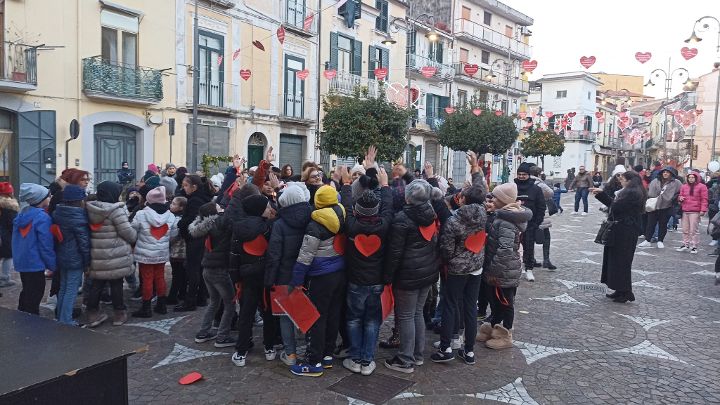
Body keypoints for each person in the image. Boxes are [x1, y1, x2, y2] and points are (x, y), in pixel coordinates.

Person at [338, 166, 393, 376]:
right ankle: (368, 361)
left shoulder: (351, 225)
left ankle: (355, 357)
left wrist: (344, 184)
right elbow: (388, 207)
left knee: (353, 319)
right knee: (372, 321)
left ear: (357, 210)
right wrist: (386, 185)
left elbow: (346, 203)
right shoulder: (384, 224)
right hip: (377, 281)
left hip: (355, 281)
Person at [289, 185, 346, 377]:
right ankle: (327, 355)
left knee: (317, 317)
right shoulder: (342, 215)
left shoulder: (315, 224)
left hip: (321, 276)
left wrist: (297, 280)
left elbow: (305, 255)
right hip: (339, 272)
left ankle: (313, 362)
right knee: (333, 314)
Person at [383, 180, 440, 374]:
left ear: (408, 197)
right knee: (417, 313)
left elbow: (395, 252)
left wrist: (388, 276)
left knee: (407, 315)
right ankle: (417, 354)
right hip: (426, 272)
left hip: (408, 275)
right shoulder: (431, 214)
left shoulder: (402, 219)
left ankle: (405, 359)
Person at [432, 184, 487, 364]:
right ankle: (469, 350)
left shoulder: (454, 221)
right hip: (476, 266)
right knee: (470, 307)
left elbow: (446, 248)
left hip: (457, 268)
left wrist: (450, 260)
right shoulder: (484, 214)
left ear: (463, 199)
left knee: (450, 305)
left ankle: (446, 348)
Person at [476, 183, 532, 349]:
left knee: (505, 302)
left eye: (494, 197)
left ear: (502, 200)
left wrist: (494, 270)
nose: (491, 199)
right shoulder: (503, 216)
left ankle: (505, 333)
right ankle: (494, 326)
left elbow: (505, 250)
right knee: (497, 301)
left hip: (504, 270)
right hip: (503, 268)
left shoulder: (506, 222)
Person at [265, 182, 313, 366]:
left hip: (285, 275)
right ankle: (311, 350)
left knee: (285, 316)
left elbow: (274, 255)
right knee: (308, 313)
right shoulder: (312, 218)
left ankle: (290, 354)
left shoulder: (280, 224)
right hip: (308, 274)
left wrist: (270, 279)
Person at [230, 195, 276, 366]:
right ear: (259, 210)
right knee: (268, 312)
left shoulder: (238, 229)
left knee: (246, 314)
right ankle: (269, 348)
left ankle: (241, 352)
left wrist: (236, 278)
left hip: (246, 277)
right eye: (266, 206)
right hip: (265, 276)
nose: (269, 209)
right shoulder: (268, 227)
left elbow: (234, 256)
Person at [85, 181, 137, 327]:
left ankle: (92, 313)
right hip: (116, 254)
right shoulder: (116, 210)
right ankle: (119, 314)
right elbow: (127, 233)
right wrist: (135, 236)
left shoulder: (90, 209)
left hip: (96, 253)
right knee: (116, 284)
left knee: (97, 284)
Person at [592, 171, 646, 303]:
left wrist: (603, 195)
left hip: (625, 231)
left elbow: (616, 208)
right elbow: (615, 206)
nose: (620, 181)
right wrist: (601, 194)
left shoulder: (632, 193)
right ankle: (619, 289)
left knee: (622, 262)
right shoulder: (630, 191)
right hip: (621, 230)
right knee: (616, 261)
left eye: (622, 179)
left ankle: (625, 292)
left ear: (629, 181)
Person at [190, 201, 238, 349]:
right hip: (219, 269)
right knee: (230, 303)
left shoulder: (207, 226)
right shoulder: (220, 225)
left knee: (214, 302)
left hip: (207, 268)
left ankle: (203, 333)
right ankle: (222, 337)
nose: (221, 208)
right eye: (218, 207)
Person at [131, 186, 178, 317]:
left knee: (147, 279)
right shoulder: (171, 216)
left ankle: (146, 308)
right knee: (160, 277)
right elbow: (174, 233)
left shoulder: (141, 214)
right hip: (161, 253)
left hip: (145, 253)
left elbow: (132, 230)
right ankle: (161, 305)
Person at [13, 183, 55, 315]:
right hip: (35, 263)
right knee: (36, 292)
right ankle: (32, 321)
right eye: (48, 196)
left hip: (22, 262)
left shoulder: (22, 215)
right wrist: (52, 264)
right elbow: (46, 245)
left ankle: (21, 313)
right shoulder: (42, 217)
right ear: (40, 199)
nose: (50, 198)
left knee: (26, 290)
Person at [52, 184, 91, 326]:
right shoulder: (78, 217)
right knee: (71, 289)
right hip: (75, 258)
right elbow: (84, 243)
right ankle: (66, 320)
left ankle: (61, 317)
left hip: (62, 255)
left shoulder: (58, 212)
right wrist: (87, 262)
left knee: (63, 287)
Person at [175, 174, 213, 311]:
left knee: (193, 270)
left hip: (195, 239)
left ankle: (190, 300)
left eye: (186, 185)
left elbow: (191, 219)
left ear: (194, 187)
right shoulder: (200, 197)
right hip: (200, 238)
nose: (183, 188)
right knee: (199, 269)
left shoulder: (195, 200)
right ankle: (201, 298)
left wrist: (180, 223)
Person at [514, 162, 545, 281]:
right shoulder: (512, 186)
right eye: (519, 174)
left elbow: (541, 207)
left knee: (528, 247)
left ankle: (529, 269)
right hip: (514, 223)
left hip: (530, 224)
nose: (521, 176)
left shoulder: (536, 189)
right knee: (513, 247)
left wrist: (537, 223)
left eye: (524, 174)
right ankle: (515, 268)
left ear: (529, 175)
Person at [638, 167, 682, 249]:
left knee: (663, 224)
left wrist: (674, 198)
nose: (665, 173)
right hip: (654, 205)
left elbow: (680, 191)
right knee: (650, 224)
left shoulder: (676, 183)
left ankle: (660, 241)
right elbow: (649, 191)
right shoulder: (655, 181)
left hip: (667, 206)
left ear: (671, 174)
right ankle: (647, 240)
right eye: (664, 172)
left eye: (667, 172)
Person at [677, 172, 708, 254]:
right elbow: (680, 196)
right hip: (685, 210)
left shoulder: (702, 187)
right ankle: (685, 244)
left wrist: (703, 210)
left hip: (695, 211)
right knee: (685, 229)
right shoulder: (684, 186)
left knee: (693, 230)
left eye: (692, 177)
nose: (691, 179)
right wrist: (680, 198)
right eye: (689, 177)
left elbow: (704, 199)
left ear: (696, 178)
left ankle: (694, 246)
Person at [167, 196, 188, 305]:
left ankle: (173, 296)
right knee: (182, 274)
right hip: (182, 251)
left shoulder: (177, 219)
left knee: (177, 274)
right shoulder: (183, 218)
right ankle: (182, 293)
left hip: (177, 251)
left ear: (181, 207)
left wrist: (168, 243)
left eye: (174, 204)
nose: (171, 205)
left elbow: (173, 235)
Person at [0, 182, 18, 288]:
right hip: (6, 236)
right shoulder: (10, 207)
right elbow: (13, 224)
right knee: (8, 256)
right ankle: (5, 278)